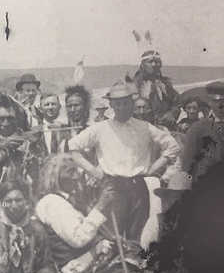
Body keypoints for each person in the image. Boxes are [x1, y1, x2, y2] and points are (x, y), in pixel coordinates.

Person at [68, 81, 179, 244]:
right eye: (117, 103)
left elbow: (173, 146)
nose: (121, 107)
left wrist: (152, 168)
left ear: (132, 103)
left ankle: (134, 267)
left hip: (138, 187)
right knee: (114, 237)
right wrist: (92, 170)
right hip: (112, 187)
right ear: (111, 104)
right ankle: (118, 268)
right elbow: (73, 148)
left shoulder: (144, 127)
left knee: (137, 236)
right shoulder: (101, 128)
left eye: (125, 103)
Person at [35, 153, 142, 273]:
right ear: (55, 176)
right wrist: (100, 205)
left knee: (134, 251)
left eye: (75, 171)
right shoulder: (51, 203)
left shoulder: (67, 200)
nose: (75, 176)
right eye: (69, 172)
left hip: (88, 258)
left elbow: (88, 230)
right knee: (125, 272)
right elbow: (78, 238)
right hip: (76, 266)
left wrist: (108, 238)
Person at [183, 81, 224, 177]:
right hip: (205, 183)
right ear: (208, 102)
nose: (219, 105)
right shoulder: (197, 128)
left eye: (223, 100)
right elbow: (188, 163)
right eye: (215, 101)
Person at [132, 50, 179, 129]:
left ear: (160, 64)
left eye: (156, 62)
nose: (154, 65)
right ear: (142, 65)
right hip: (143, 126)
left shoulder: (165, 83)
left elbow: (177, 102)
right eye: (150, 62)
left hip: (165, 126)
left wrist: (172, 113)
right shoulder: (135, 84)